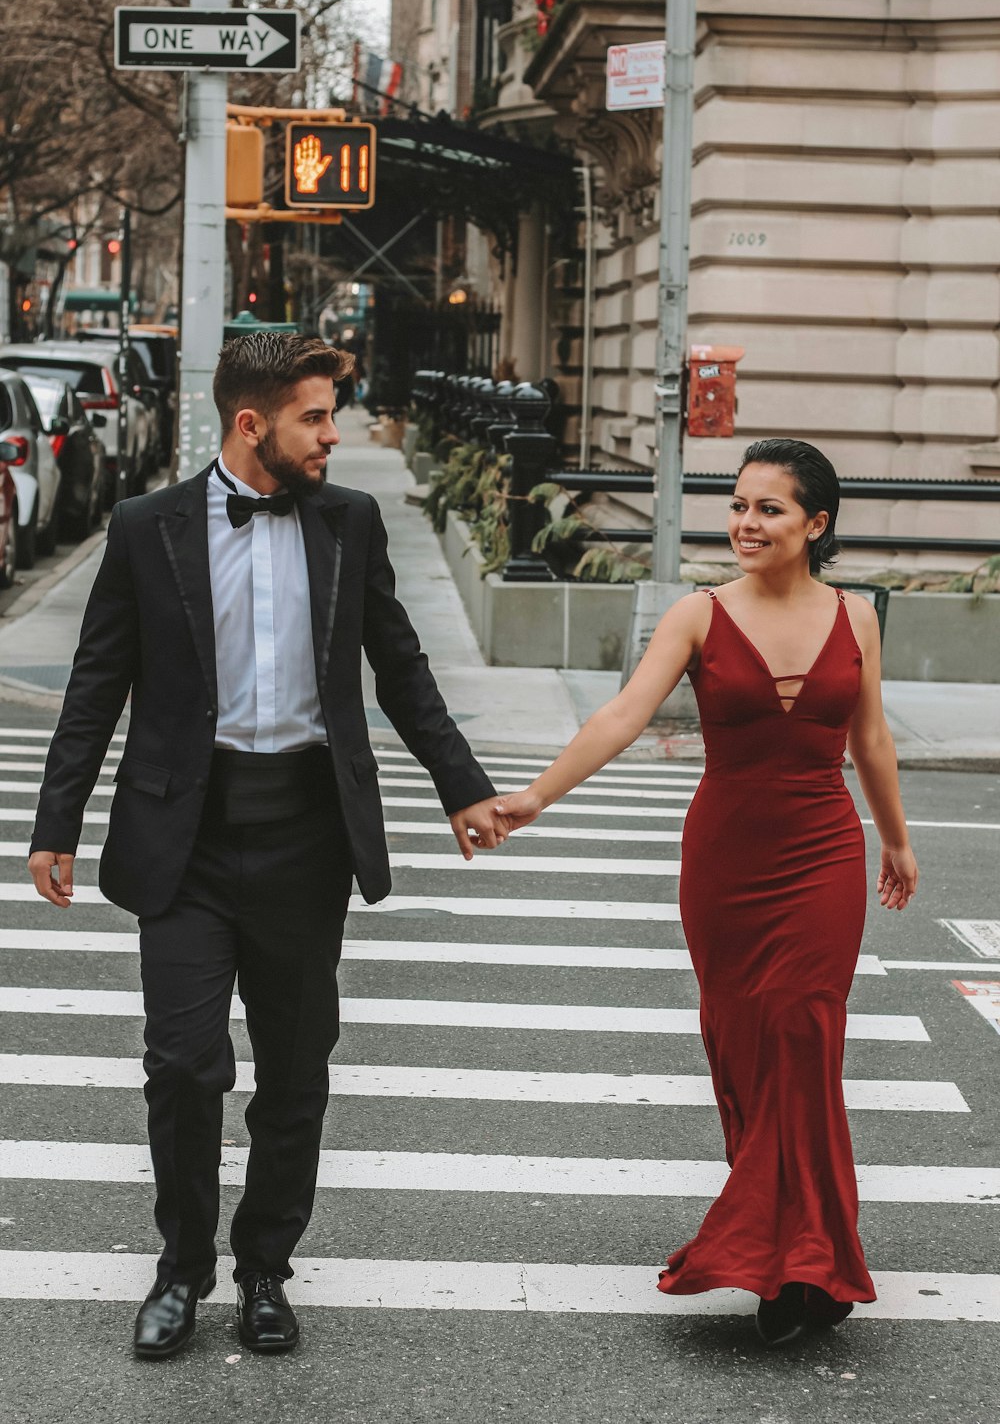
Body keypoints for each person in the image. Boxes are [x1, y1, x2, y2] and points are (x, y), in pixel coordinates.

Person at [27, 333, 507, 1359]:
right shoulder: (145, 527)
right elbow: (95, 685)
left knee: (295, 1071)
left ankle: (263, 1269)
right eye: (317, 417)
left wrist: (461, 785)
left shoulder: (348, 521)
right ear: (254, 425)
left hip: (304, 834)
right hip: (185, 839)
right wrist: (54, 821)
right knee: (183, 1066)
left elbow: (401, 665)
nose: (337, 434)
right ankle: (180, 1270)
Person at [493, 438, 918, 1347]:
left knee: (805, 1037)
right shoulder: (697, 613)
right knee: (744, 1050)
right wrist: (535, 795)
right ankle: (786, 1249)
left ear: (817, 524)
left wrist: (895, 837)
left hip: (823, 853)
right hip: (727, 862)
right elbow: (620, 713)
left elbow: (870, 742)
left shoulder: (858, 617)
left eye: (768, 508)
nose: (745, 524)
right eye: (738, 505)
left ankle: (803, 1263)